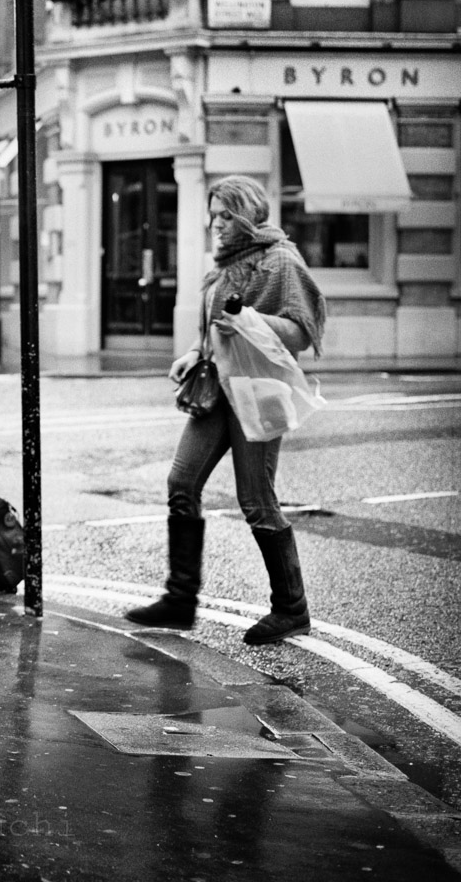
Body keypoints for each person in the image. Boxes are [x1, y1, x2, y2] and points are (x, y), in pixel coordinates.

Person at [126, 174, 327, 645]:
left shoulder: (279, 261)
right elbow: (215, 330)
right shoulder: (224, 264)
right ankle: (179, 600)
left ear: (246, 214)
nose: (215, 224)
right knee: (181, 482)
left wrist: (248, 319)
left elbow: (301, 331)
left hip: (256, 393)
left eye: (224, 215)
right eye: (212, 215)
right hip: (217, 388)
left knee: (256, 499)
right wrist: (193, 354)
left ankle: (291, 609)